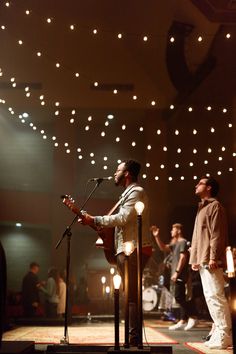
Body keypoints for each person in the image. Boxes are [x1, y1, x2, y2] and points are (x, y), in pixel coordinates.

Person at [79, 159, 152, 346]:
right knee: (129, 294)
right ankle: (132, 337)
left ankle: (134, 339)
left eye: (117, 170)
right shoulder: (127, 194)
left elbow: (124, 218)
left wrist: (94, 219)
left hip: (134, 249)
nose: (114, 173)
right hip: (127, 248)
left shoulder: (136, 192)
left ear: (127, 173)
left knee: (132, 295)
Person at [189, 176, 232, 349]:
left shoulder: (215, 207)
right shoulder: (202, 208)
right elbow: (198, 237)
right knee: (210, 297)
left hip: (211, 260)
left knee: (216, 297)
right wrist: (196, 259)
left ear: (209, 188)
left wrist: (213, 257)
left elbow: (217, 234)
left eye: (200, 183)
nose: (196, 185)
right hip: (203, 260)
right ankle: (219, 331)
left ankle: (225, 334)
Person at [151, 224, 197, 331]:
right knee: (179, 296)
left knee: (179, 296)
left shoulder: (183, 242)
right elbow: (163, 248)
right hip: (176, 274)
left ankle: (193, 316)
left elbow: (183, 257)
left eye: (173, 229)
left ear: (179, 230)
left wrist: (177, 272)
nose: (171, 231)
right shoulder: (175, 243)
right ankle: (182, 320)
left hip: (181, 274)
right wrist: (157, 236)